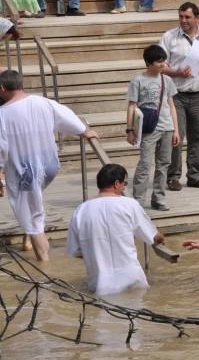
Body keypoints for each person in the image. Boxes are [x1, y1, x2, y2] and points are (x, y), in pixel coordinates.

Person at [0, 70, 99, 261]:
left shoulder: (3, 114)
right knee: (33, 207)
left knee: (33, 220)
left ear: (2, 88)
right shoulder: (42, 102)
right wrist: (84, 131)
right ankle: (29, 236)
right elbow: (67, 118)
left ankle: (44, 268)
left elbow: (1, 147)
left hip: (25, 172)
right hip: (49, 166)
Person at [67, 164, 166, 296]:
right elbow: (152, 235)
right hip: (133, 282)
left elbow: (75, 251)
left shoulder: (81, 210)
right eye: (124, 183)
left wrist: (98, 255)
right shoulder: (130, 205)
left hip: (99, 285)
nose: (124, 187)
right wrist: (161, 237)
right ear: (116, 183)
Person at [159, 2, 199, 190]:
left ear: (197, 18)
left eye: (187, 17)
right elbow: (160, 65)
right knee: (176, 136)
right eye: (181, 16)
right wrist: (177, 72)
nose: (183, 20)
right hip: (176, 95)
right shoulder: (169, 37)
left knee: (198, 135)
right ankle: (173, 177)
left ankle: (195, 176)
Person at [126, 44, 181, 211]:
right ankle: (138, 200)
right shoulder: (138, 80)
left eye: (163, 61)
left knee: (164, 164)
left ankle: (158, 198)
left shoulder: (167, 79)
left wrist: (176, 130)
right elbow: (131, 106)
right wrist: (130, 130)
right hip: (149, 127)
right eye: (158, 62)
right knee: (144, 164)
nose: (162, 64)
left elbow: (171, 105)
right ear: (148, 63)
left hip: (167, 127)